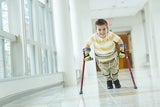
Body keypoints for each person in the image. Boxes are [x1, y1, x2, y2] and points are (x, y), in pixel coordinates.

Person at [84, 19, 125, 89]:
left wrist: (122, 51)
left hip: (112, 56)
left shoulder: (111, 35)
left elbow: (119, 40)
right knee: (105, 71)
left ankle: (115, 80)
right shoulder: (93, 37)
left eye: (104, 29)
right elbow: (87, 44)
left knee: (115, 70)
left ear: (107, 29)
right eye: (99, 29)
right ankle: (109, 81)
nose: (102, 31)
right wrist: (86, 54)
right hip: (101, 58)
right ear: (96, 30)